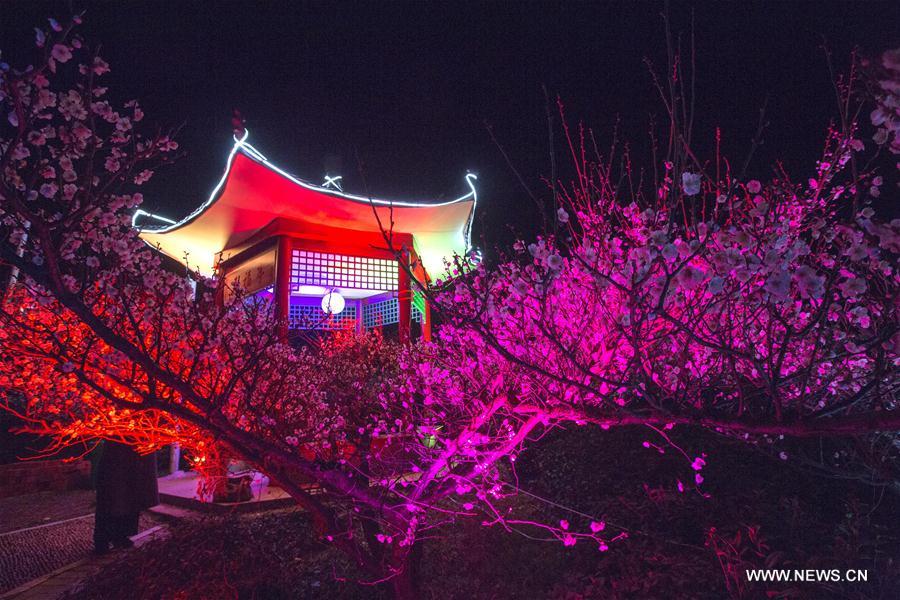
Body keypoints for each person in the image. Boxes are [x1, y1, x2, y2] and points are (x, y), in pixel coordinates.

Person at [93, 441, 159, 554]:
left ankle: (120, 535)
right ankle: (103, 538)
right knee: (112, 496)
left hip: (135, 451)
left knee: (129, 494)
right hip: (119, 452)